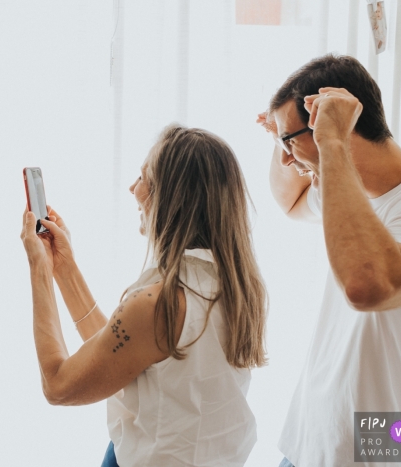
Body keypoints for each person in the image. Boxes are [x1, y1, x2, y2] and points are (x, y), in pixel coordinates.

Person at [20, 125, 268, 466]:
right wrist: (64, 268)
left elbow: (58, 385)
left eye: (143, 177)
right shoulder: (237, 288)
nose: (133, 188)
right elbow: (122, 352)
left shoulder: (159, 303)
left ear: (172, 196)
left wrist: (38, 269)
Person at [260, 54, 401, 466]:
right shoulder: (347, 189)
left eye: (290, 142)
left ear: (332, 128)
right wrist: (286, 139)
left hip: (370, 450)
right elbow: (290, 200)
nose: (287, 159)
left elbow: (369, 285)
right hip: (309, 441)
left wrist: (330, 141)